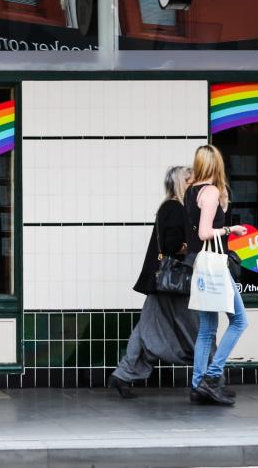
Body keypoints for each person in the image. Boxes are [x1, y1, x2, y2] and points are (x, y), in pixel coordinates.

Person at [109, 165, 196, 398]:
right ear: (181, 183)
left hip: (160, 280)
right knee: (194, 328)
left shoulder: (167, 206)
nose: (194, 185)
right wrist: (190, 247)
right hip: (172, 282)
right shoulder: (176, 208)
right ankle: (208, 376)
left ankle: (123, 374)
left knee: (144, 327)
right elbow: (171, 245)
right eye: (191, 181)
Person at [185, 144, 248, 406]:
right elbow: (204, 232)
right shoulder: (209, 191)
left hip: (201, 266)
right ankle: (211, 377)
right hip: (215, 266)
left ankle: (199, 384)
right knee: (239, 321)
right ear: (216, 165)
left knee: (207, 329)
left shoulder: (191, 191)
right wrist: (230, 228)